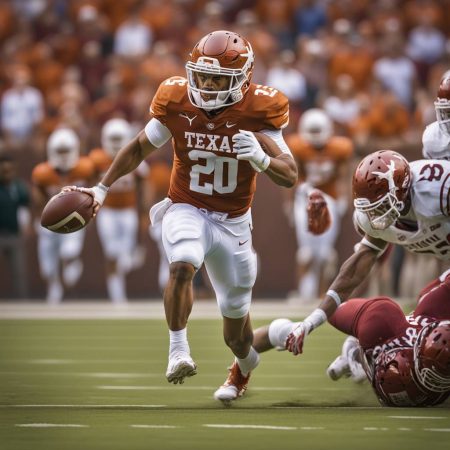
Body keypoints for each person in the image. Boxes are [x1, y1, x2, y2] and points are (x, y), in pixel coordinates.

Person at [65, 30, 297, 403]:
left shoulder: (259, 109)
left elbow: (289, 175)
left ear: (242, 80)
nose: (205, 85)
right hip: (185, 205)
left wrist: (261, 158)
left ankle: (247, 363)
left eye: (216, 79)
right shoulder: (176, 99)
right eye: (201, 76)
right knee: (182, 263)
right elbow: (141, 145)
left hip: (234, 222)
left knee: (237, 338)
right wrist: (101, 188)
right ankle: (178, 350)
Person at [280, 150, 450, 364]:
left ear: (403, 191)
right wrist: (309, 322)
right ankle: (357, 352)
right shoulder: (372, 218)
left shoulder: (437, 191)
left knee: (431, 322)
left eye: (381, 205)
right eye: (371, 208)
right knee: (424, 331)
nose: (375, 215)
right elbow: (354, 272)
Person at [252, 268, 450, 406]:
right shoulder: (384, 326)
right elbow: (334, 308)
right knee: (379, 319)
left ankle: (355, 352)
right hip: (383, 331)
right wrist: (308, 325)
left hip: (406, 329)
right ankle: (354, 350)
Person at [285, 108, 353, 300]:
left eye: (318, 131)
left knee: (325, 253)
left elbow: (343, 175)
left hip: (329, 197)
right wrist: (289, 203)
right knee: (306, 252)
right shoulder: (297, 146)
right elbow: (291, 175)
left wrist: (343, 197)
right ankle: (303, 292)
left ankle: (323, 293)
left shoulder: (340, 147)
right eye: (312, 131)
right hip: (305, 197)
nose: (315, 136)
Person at [32, 128, 95, 303]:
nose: (63, 155)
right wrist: (37, 217)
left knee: (69, 251)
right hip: (50, 222)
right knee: (47, 268)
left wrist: (89, 216)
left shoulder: (85, 168)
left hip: (73, 219)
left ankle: (72, 261)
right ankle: (54, 286)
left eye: (66, 150)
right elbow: (38, 199)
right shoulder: (42, 172)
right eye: (60, 151)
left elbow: (92, 192)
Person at [89, 118, 147, 303]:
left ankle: (119, 284)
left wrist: (145, 205)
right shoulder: (97, 159)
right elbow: (89, 181)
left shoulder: (134, 157)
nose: (114, 143)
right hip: (108, 211)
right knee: (112, 252)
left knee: (126, 253)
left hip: (128, 210)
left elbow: (144, 183)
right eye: (112, 138)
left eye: (118, 138)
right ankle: (117, 296)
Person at [0, 153, 31, 299]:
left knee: (19, 272)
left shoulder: (18, 187)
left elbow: (23, 207)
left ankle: (21, 301)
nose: (7, 174)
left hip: (14, 233)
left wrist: (25, 225)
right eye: (4, 171)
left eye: (10, 170)